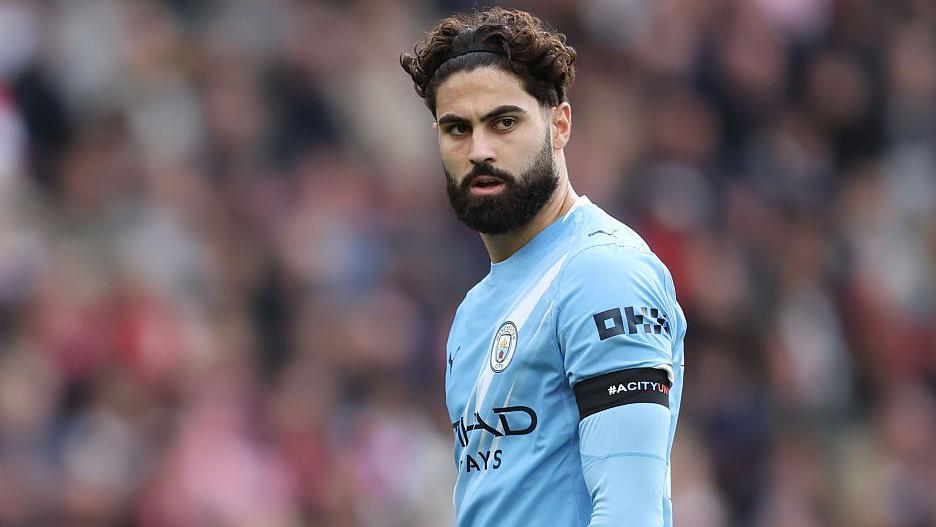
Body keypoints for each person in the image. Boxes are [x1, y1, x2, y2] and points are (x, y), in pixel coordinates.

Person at [401, 7, 686, 526]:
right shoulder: (472, 311)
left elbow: (631, 511)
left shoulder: (602, 272)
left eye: (504, 122)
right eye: (457, 129)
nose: (479, 150)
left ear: (560, 124)